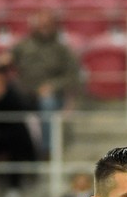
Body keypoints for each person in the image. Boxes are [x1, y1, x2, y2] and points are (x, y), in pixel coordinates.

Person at [11, 11, 81, 155]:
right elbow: (8, 59)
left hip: (52, 95)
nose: (44, 28)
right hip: (25, 92)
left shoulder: (62, 50)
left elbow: (73, 77)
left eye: (48, 25)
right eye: (41, 25)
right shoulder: (22, 46)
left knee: (47, 103)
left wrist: (52, 86)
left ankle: (47, 149)